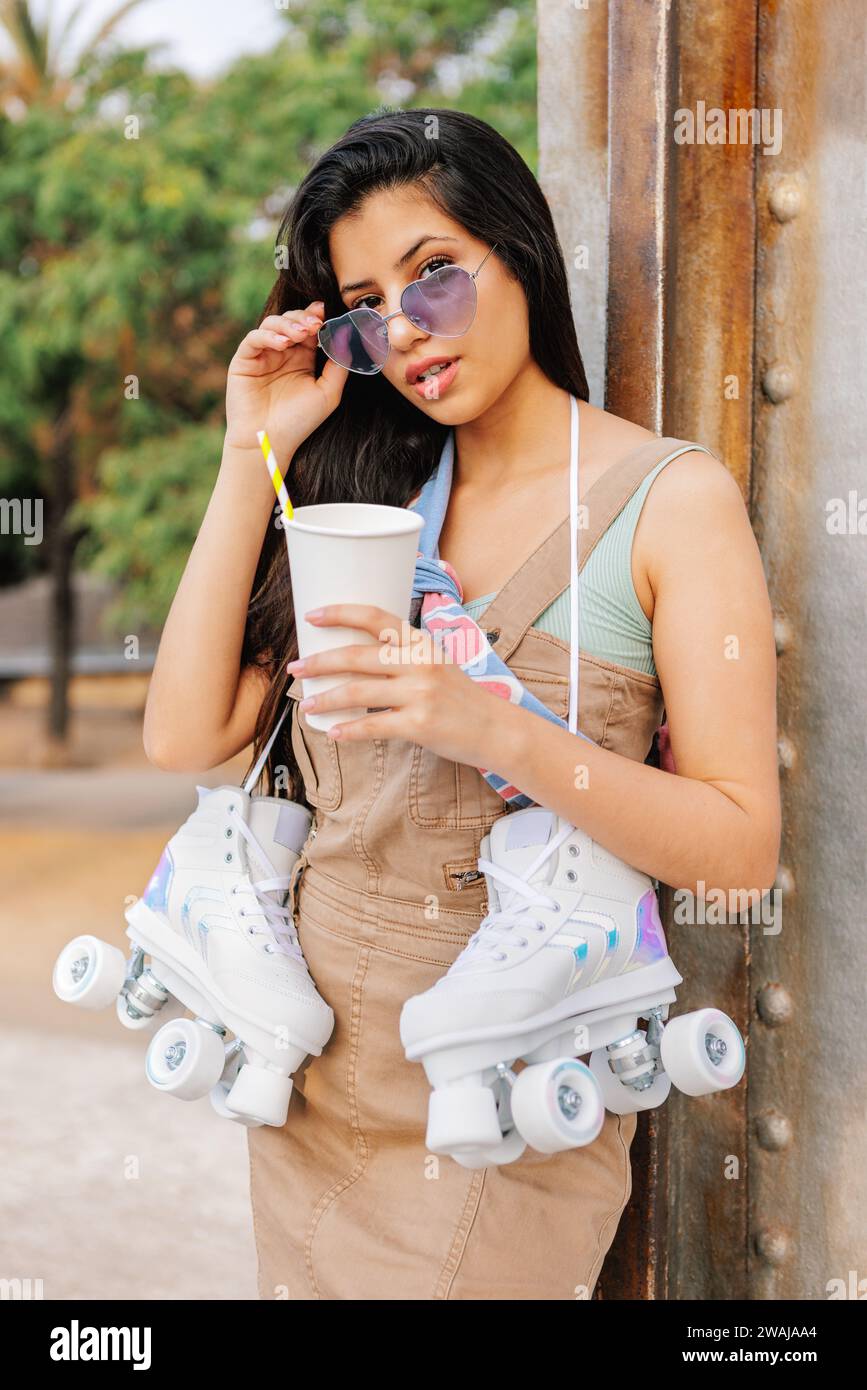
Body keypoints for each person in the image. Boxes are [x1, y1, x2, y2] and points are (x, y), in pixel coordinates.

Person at [143, 108, 780, 1300]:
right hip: (314, 1090)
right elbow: (183, 735)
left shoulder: (666, 501)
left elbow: (740, 847)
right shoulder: (364, 498)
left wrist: (487, 724)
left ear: (520, 249)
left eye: (435, 276)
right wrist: (253, 457)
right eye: (366, 305)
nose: (403, 328)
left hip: (499, 1114)